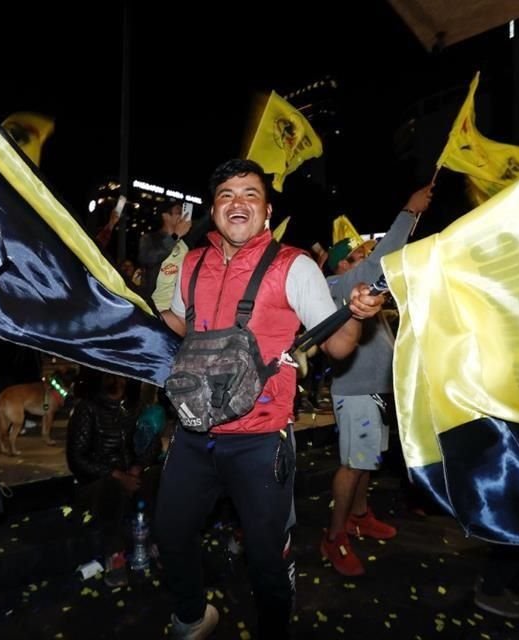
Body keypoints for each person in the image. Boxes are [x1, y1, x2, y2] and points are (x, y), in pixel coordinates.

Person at [156, 159, 385, 640]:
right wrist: (122, 309)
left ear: (266, 210)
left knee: (265, 554)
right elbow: (180, 327)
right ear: (213, 209)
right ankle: (193, 616)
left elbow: (340, 345)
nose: (237, 203)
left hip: (260, 440)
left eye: (250, 194)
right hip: (195, 432)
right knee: (171, 532)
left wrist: (356, 313)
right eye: (226, 195)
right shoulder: (192, 263)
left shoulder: (294, 265)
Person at [320, 185, 433, 576]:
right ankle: (334, 537)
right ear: (338, 267)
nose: (361, 261)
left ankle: (359, 515)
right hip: (355, 393)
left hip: (374, 392)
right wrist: (409, 211)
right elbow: (378, 265)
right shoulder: (334, 289)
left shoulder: (360, 290)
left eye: (359, 255)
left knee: (368, 461)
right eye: (352, 258)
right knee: (353, 464)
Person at [66, 372, 163, 587]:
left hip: (132, 472)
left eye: (121, 375)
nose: (117, 380)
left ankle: (156, 543)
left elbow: (154, 445)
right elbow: (77, 458)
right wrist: (117, 475)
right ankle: (115, 555)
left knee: (158, 474)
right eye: (110, 375)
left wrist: (137, 468)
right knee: (114, 488)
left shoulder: (135, 407)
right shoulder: (87, 409)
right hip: (98, 480)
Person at [137, 200, 191, 298]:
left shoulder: (186, 240)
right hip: (156, 304)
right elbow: (148, 259)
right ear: (165, 216)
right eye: (178, 212)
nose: (182, 216)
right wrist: (176, 235)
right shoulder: (150, 238)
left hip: (179, 305)